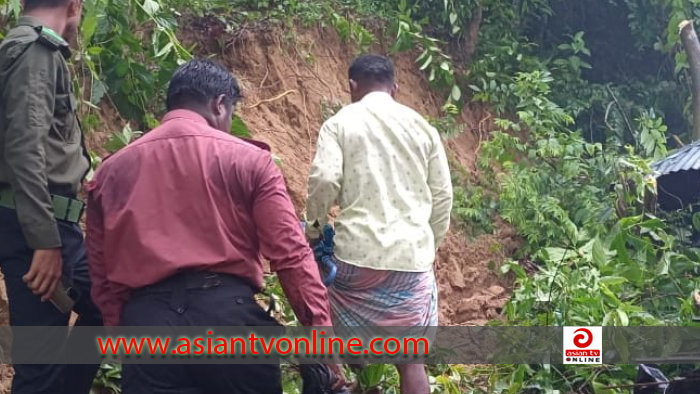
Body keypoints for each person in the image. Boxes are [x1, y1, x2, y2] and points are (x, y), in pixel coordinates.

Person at [86, 59, 345, 394]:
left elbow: (102, 270)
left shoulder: (110, 172)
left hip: (148, 325)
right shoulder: (250, 160)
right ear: (219, 104)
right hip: (228, 321)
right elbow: (291, 257)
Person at [305, 54, 453, 394]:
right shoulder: (422, 128)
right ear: (395, 89)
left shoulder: (340, 123)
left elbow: (325, 179)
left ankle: (342, 379)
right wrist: (429, 246)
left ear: (352, 86)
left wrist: (314, 231)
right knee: (411, 359)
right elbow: (443, 196)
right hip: (411, 260)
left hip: (354, 260)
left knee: (322, 325)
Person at [0, 0, 103, 393]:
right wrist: (44, 241)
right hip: (38, 229)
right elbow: (25, 148)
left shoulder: (21, 47)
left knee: (106, 306)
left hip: (44, 222)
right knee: (39, 365)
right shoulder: (35, 52)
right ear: (75, 4)